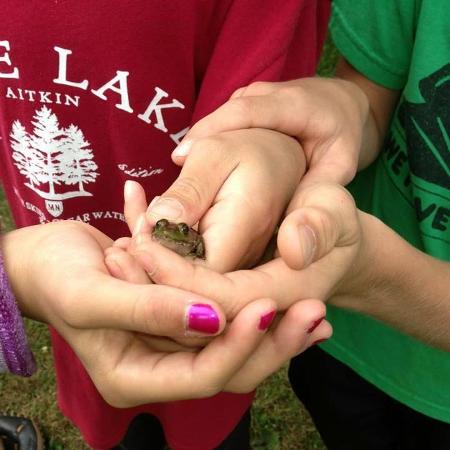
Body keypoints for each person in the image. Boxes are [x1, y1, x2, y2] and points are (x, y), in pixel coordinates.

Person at [0, 1, 332, 449]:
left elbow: (268, 107)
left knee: (203, 417)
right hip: (73, 293)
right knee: (109, 408)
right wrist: (18, 272)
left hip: (200, 301)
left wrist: (272, 148)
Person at [126, 0, 450, 449]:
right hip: (341, 340)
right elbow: (372, 98)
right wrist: (338, 108)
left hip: (377, 320)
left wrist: (373, 276)